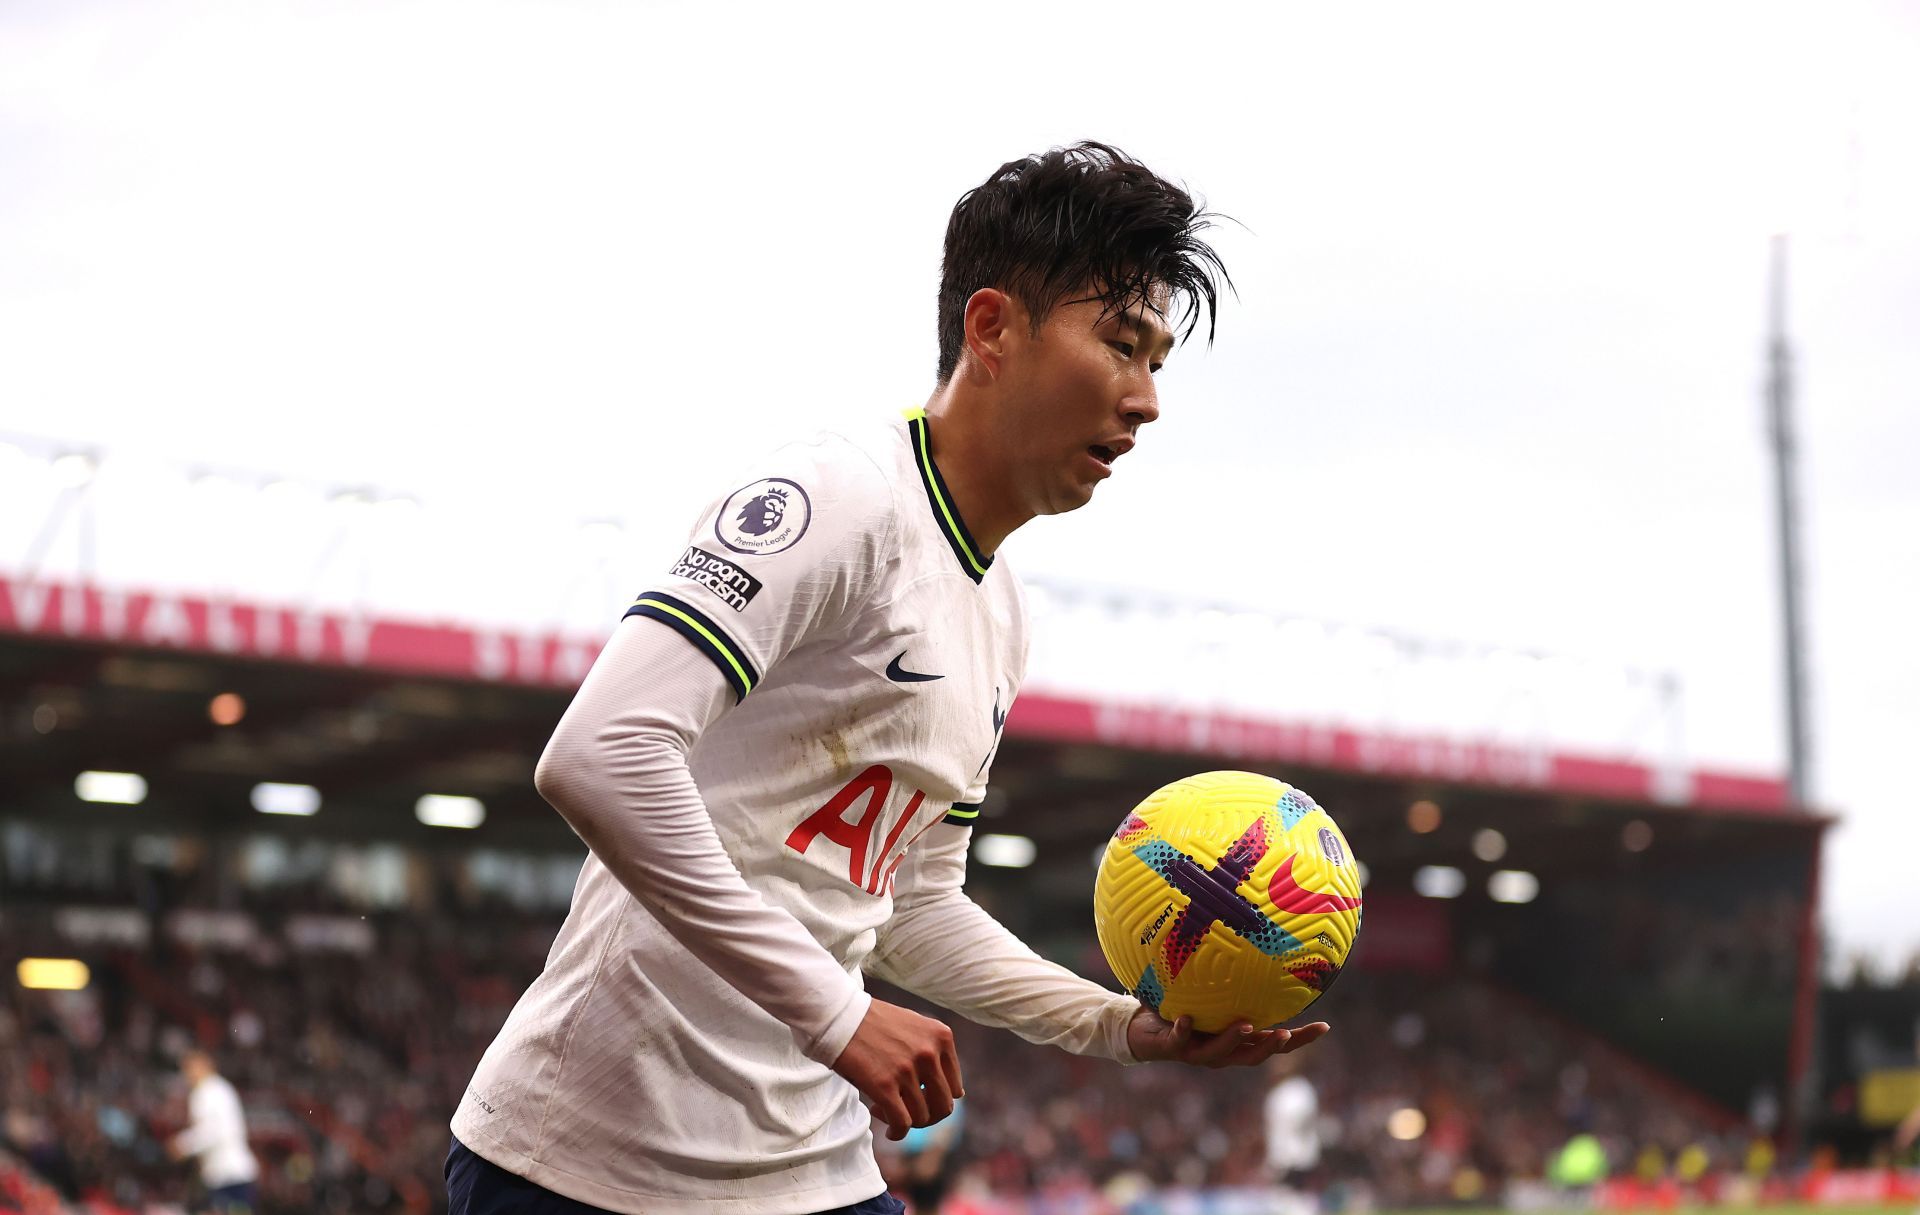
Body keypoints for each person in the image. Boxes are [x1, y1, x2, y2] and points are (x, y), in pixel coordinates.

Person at [447, 141, 1331, 1215]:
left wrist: (1119, 1027)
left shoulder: (1002, 614)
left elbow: (909, 906)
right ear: (992, 327)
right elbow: (601, 754)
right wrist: (837, 1014)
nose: (1145, 401)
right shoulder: (836, 496)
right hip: (585, 1172)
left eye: (1156, 363)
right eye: (1121, 344)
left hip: (810, 1173)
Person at [168, 1050, 257, 1215]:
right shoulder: (222, 1089)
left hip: (226, 1174)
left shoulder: (207, 1092)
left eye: (190, 1068)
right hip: (232, 1172)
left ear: (205, 1065)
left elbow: (211, 1132)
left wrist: (182, 1145)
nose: (187, 1074)